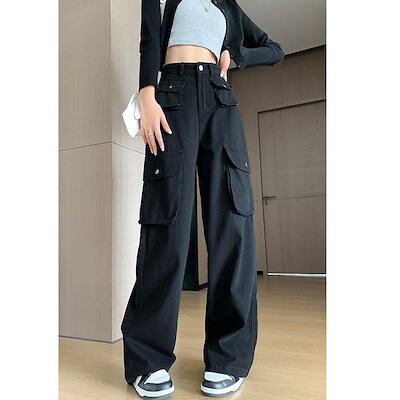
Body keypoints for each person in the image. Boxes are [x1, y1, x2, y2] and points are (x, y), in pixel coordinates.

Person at [121, 0, 285, 397]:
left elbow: (274, 49)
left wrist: (237, 54)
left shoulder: (227, 5)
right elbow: (149, 39)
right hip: (172, 94)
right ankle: (148, 359)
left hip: (220, 97)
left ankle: (228, 356)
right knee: (166, 223)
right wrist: (147, 95)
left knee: (233, 222)